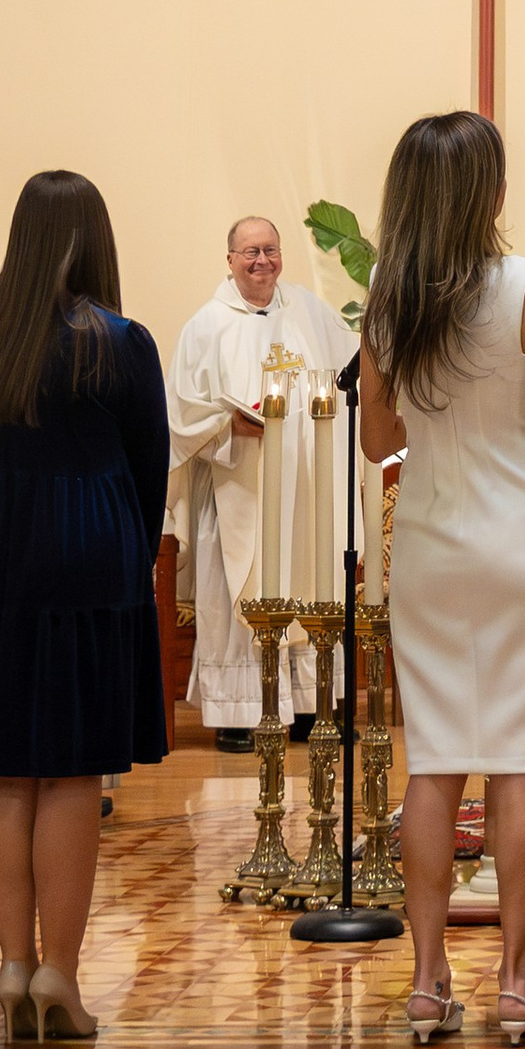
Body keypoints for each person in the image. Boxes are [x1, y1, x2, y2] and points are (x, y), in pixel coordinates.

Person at [0, 168, 170, 1045]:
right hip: (94, 554)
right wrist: (132, 559)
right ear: (95, 240)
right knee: (70, 769)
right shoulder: (122, 343)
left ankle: (14, 965)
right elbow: (150, 468)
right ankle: (60, 969)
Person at [359, 111, 525, 1047]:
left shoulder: (387, 305)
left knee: (436, 762)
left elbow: (380, 443)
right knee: (517, 763)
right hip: (522, 543)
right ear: (490, 193)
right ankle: (516, 982)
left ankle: (425, 984)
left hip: (430, 541)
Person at [166, 215, 355, 749]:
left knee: (308, 581)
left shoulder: (309, 312)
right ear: (229, 260)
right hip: (238, 485)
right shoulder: (206, 325)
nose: (261, 261)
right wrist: (227, 423)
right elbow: (180, 414)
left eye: (270, 250)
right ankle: (239, 711)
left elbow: (349, 370)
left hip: (305, 484)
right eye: (249, 252)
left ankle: (308, 708)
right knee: (238, 590)